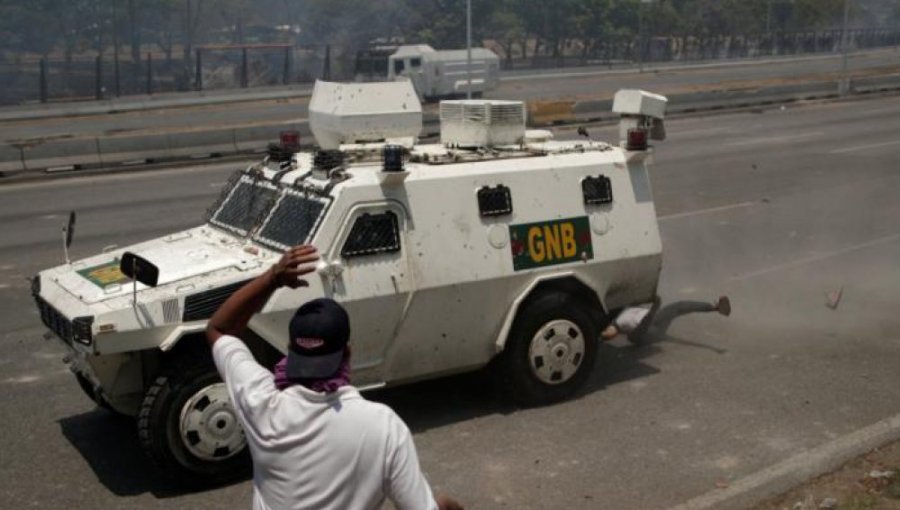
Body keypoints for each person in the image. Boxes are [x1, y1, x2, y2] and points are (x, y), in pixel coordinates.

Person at [206, 245, 463, 510]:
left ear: (290, 351)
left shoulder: (260, 402)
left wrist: (272, 278)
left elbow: (219, 328)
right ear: (347, 353)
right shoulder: (383, 426)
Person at [601, 295, 731, 343]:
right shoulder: (618, 323)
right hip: (648, 329)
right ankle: (715, 308)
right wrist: (597, 337)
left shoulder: (625, 306)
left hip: (655, 319)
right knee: (639, 333)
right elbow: (609, 333)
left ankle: (715, 308)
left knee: (679, 306)